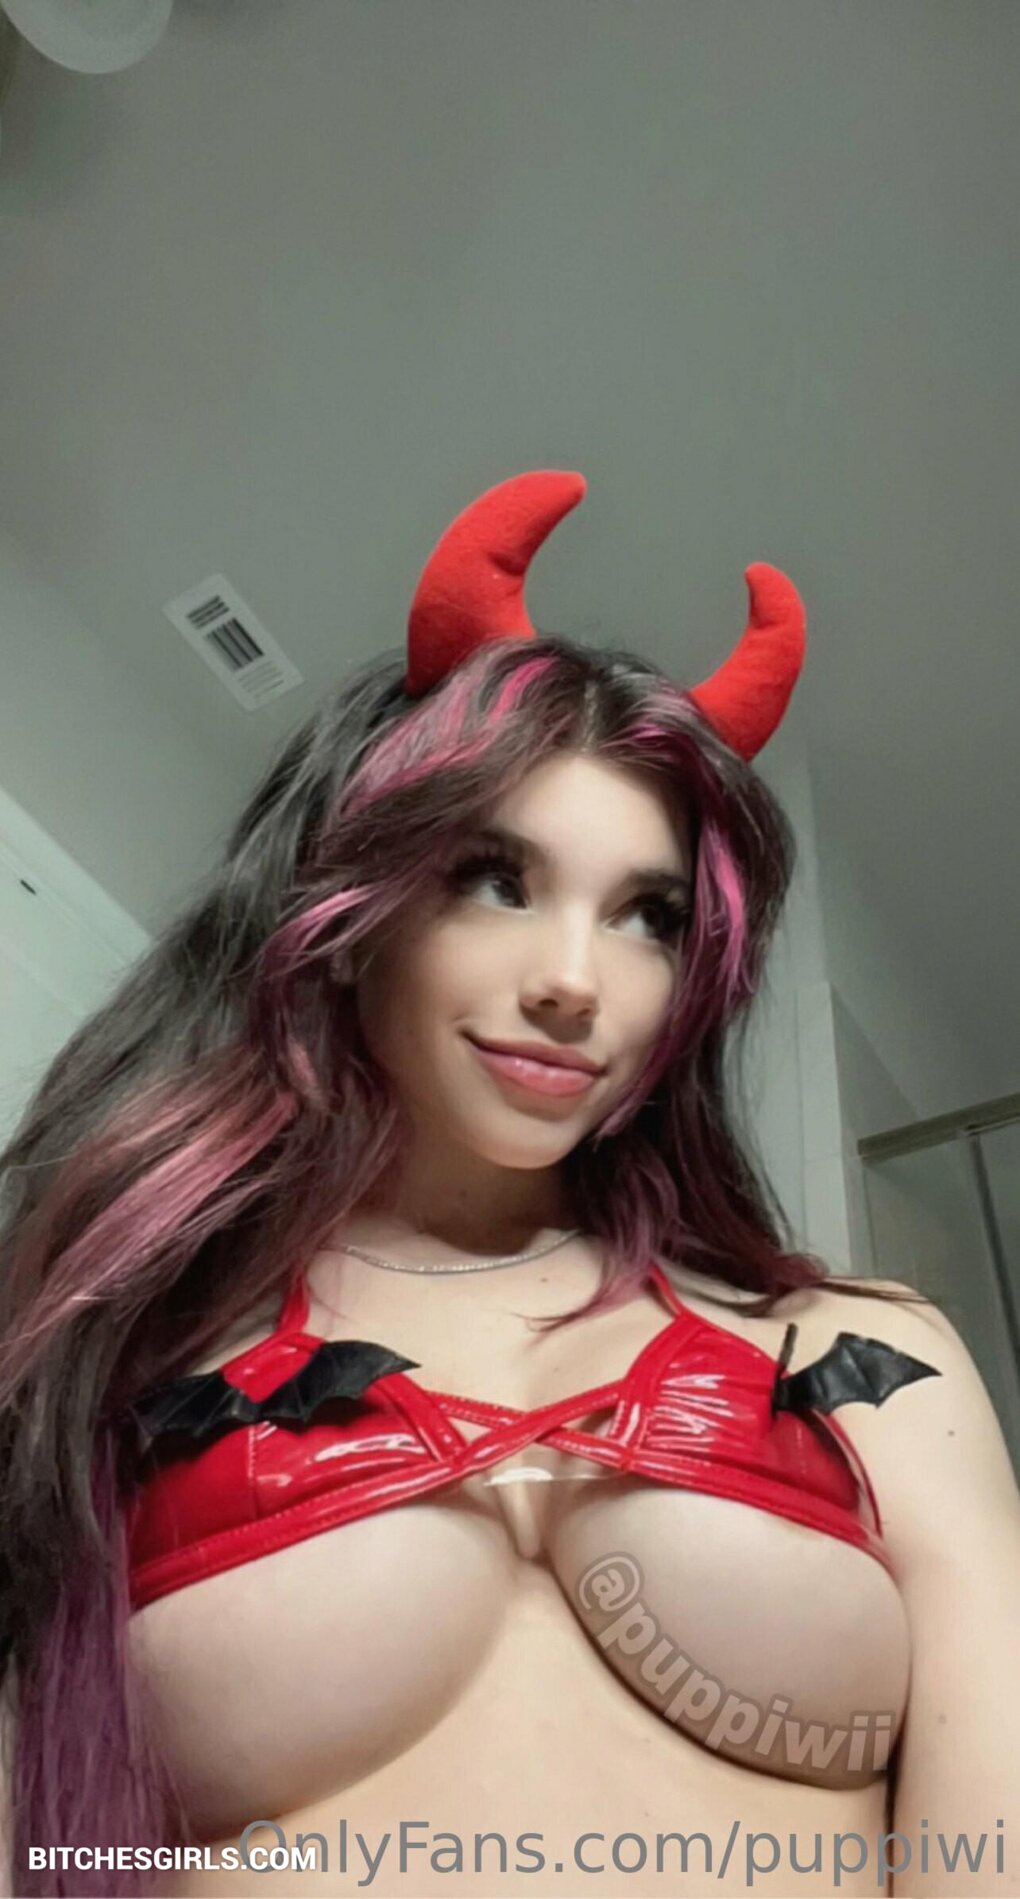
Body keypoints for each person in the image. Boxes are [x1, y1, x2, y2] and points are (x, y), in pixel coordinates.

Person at [0, 471, 1017, 1899]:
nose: (573, 981)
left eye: (648, 915)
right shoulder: (119, 1369)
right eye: (495, 879)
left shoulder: (871, 1355)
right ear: (351, 912)